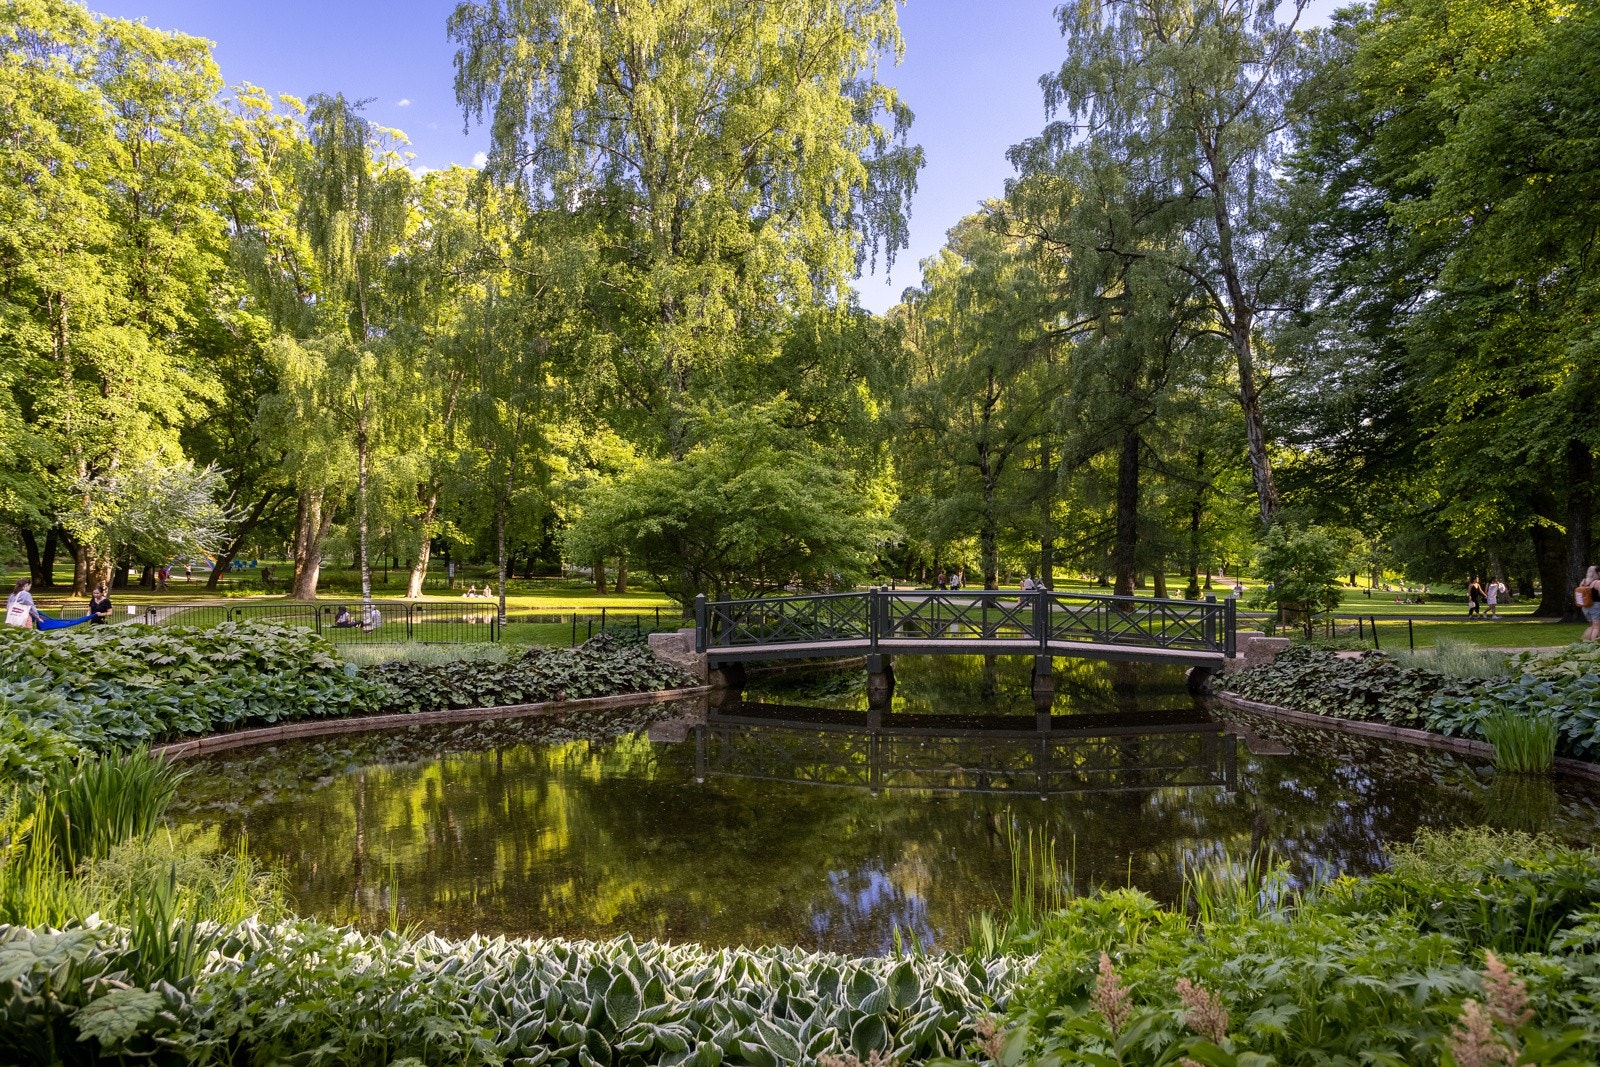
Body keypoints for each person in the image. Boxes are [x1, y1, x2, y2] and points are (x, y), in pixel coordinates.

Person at [1577, 566, 1600, 642]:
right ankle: (1594, 643)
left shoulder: (1583, 582)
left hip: (1585, 607)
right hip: (1596, 606)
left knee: (1592, 626)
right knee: (1597, 627)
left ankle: (1586, 641)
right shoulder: (1597, 582)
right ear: (1597, 573)